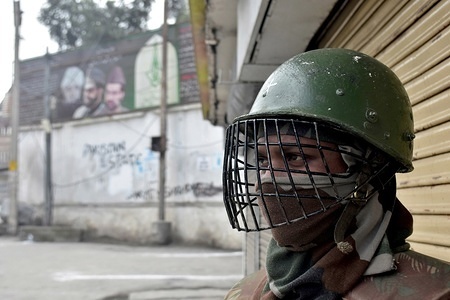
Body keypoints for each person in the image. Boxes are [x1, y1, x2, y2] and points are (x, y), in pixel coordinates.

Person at [222, 48, 449, 299]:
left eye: (295, 157)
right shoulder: (245, 292)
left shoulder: (436, 291)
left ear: (369, 169)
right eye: (263, 160)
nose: (268, 180)